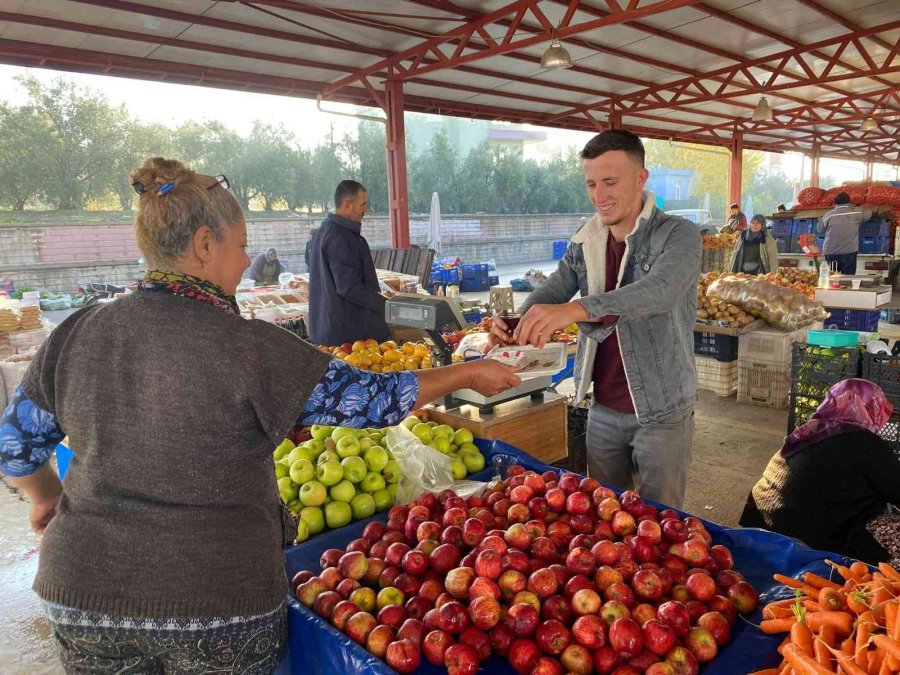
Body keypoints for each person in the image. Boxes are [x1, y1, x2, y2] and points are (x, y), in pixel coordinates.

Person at [0, 157, 520, 674]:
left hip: (83, 597)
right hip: (217, 606)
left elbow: (14, 445)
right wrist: (469, 372)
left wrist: (46, 496)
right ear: (205, 245)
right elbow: (374, 400)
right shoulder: (248, 345)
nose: (247, 261)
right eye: (241, 245)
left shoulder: (77, 332)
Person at [490, 129, 701, 508]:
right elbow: (553, 289)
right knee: (602, 518)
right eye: (591, 184)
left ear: (641, 178)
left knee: (662, 520)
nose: (599, 195)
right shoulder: (586, 240)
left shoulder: (678, 235)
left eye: (610, 182)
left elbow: (659, 291)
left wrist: (577, 309)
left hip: (662, 408)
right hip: (602, 407)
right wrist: (517, 321)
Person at [739, 379, 900, 563]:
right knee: (889, 535)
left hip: (760, 518)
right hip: (803, 539)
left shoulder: (811, 430)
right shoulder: (866, 444)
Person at [308, 180, 390, 345]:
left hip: (329, 329)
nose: (366, 209)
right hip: (348, 335)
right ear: (347, 205)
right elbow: (349, 287)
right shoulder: (341, 237)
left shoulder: (323, 231)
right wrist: (386, 305)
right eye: (363, 204)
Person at [818, 192, 873, 275]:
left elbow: (819, 229)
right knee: (848, 278)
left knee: (832, 278)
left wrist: (820, 220)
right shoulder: (857, 213)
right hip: (849, 252)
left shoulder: (829, 215)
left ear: (835, 202)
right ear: (849, 201)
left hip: (831, 252)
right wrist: (858, 206)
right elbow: (869, 213)